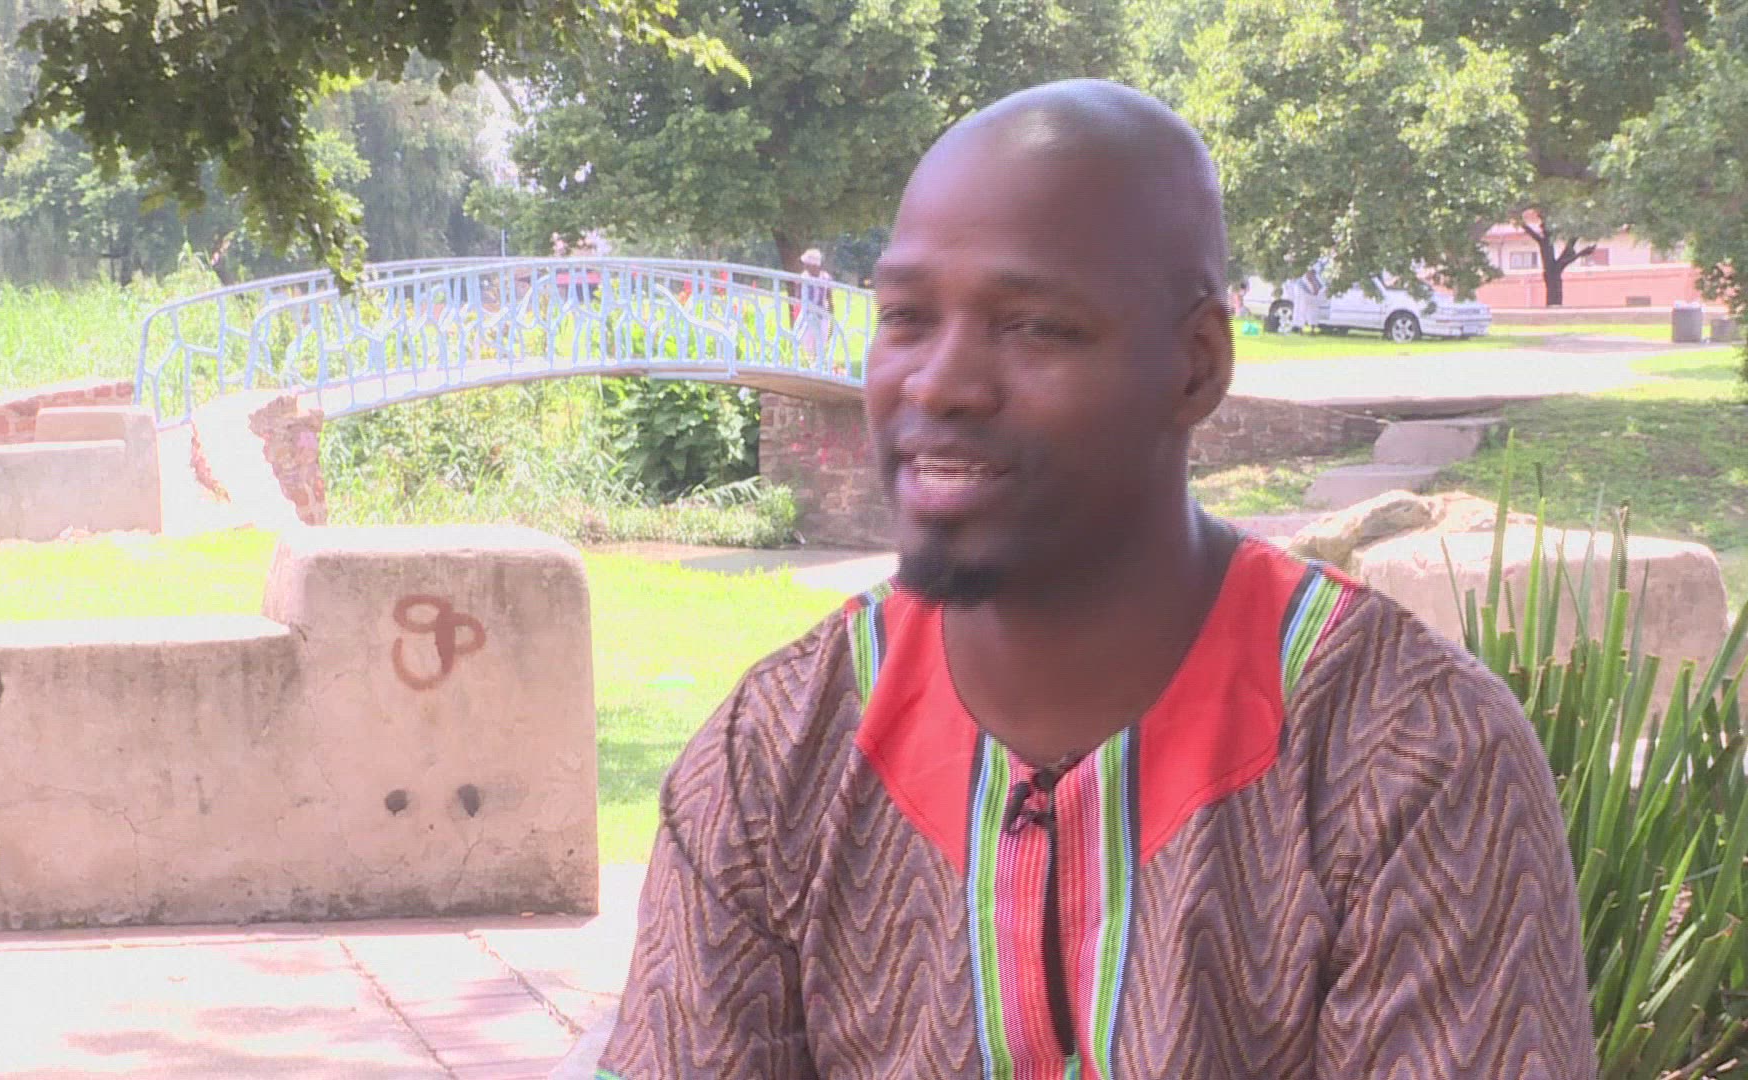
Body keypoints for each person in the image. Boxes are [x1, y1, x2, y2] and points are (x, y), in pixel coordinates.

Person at [597, 80, 1594, 1079]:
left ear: (1195, 366)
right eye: (905, 316)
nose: (939, 381)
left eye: (1033, 325)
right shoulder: (773, 759)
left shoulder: (1408, 754)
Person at [795, 247, 837, 369]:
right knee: (807, 342)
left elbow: (829, 298)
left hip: (822, 314)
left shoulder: (825, 278)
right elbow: (798, 297)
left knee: (821, 342)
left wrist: (831, 318)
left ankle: (818, 367)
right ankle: (809, 366)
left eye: (808, 264)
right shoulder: (803, 278)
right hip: (807, 315)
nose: (805, 267)